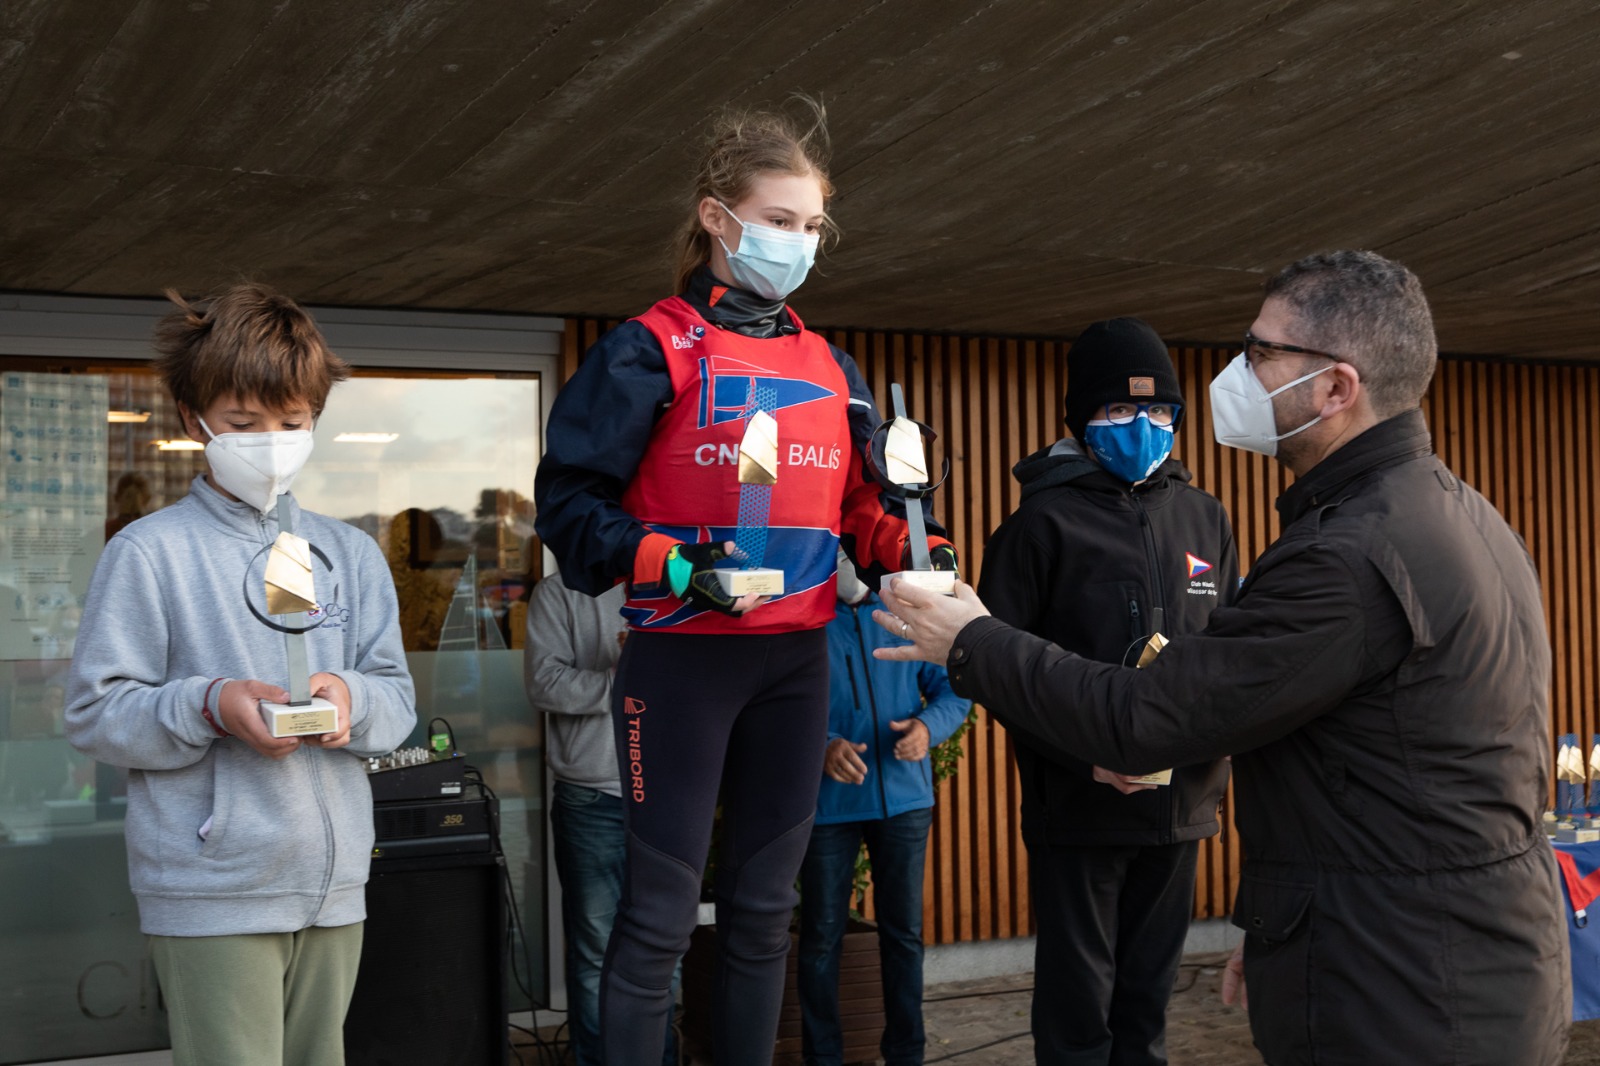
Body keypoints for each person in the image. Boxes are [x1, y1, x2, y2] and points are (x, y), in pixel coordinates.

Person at [872, 251, 1570, 1065]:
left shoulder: (1348, 556)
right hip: (1428, 953)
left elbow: (1151, 715)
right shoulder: (1457, 511)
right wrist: (1292, 920)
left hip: (1406, 990)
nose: (1237, 372)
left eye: (1262, 352)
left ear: (1337, 388)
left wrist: (971, 639)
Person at [532, 100, 956, 1064]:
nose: (798, 243)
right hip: (683, 661)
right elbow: (567, 509)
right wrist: (677, 564)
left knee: (769, 915)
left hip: (795, 664)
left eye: (811, 228)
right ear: (718, 219)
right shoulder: (650, 348)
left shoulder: (831, 366)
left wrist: (921, 555)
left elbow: (861, 513)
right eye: (779, 221)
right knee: (658, 921)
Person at [64, 283, 418, 1066]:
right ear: (196, 423)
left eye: (291, 423)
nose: (270, 440)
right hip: (211, 890)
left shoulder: (350, 554)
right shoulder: (149, 552)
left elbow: (396, 698)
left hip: (335, 889)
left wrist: (350, 699)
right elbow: (94, 712)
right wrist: (212, 704)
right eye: (242, 424)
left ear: (315, 420)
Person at [976, 317, 1237, 1065]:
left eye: (1160, 413)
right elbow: (1000, 666)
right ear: (1082, 420)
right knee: (1077, 1013)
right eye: (1120, 412)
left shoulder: (1205, 516)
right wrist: (1082, 758)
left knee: (1146, 1009)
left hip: (1179, 804)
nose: (1143, 427)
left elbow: (1232, 651)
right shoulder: (1037, 527)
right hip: (1080, 809)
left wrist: (1202, 756)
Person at [798, 553, 971, 1066]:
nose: (849, 563)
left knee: (903, 935)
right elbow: (776, 705)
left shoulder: (902, 613)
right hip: (829, 805)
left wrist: (927, 729)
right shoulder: (805, 620)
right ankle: (822, 1058)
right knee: (821, 938)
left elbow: (954, 691)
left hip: (904, 800)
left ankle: (906, 1055)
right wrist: (823, 745)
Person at [522, 571, 678, 1066]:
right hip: (591, 798)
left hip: (672, 799)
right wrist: (621, 675)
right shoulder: (558, 591)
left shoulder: (682, 580)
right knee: (594, 954)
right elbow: (544, 683)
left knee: (666, 947)